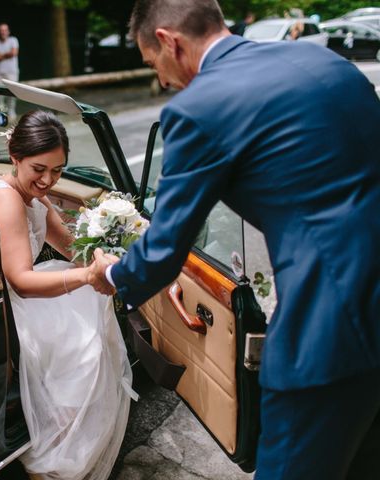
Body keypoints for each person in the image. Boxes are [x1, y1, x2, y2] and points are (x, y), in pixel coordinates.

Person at [89, 0, 380, 479]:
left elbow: (164, 251)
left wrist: (114, 274)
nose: (161, 80)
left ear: (168, 42)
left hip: (331, 323)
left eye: (152, 65)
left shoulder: (197, 108)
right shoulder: (325, 61)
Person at [0, 110, 135, 479]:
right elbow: (22, 281)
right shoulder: (6, 201)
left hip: (5, 296)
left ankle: (66, 428)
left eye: (58, 170)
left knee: (87, 314)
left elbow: (70, 246)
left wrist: (111, 252)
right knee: (85, 344)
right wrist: (88, 276)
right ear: (15, 157)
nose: (48, 180)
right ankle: (57, 450)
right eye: (39, 168)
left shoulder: (35, 197)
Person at [0, 22, 19, 119]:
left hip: (12, 72)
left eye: (5, 30)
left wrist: (0, 55)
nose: (3, 32)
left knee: (12, 92)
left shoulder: (13, 40)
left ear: (8, 31)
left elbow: (14, 53)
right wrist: (7, 54)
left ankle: (11, 111)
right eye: (1, 30)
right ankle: (1, 113)